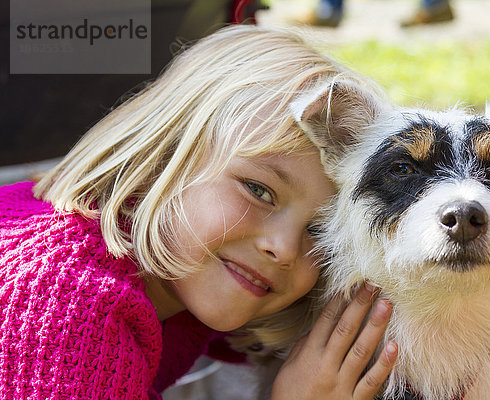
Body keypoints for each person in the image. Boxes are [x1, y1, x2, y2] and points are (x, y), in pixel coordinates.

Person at [0, 25, 397, 399]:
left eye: (318, 228)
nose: (284, 249)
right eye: (259, 191)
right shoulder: (71, 305)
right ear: (166, 155)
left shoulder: (184, 272)